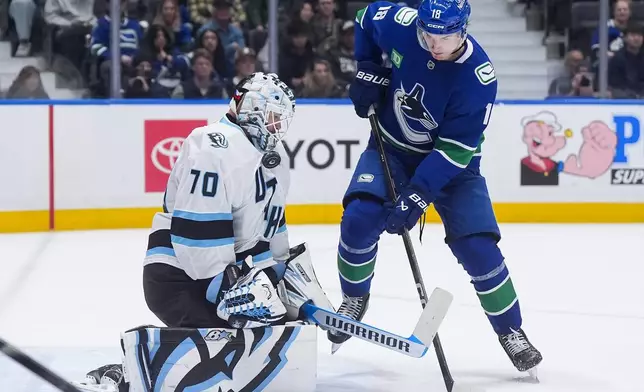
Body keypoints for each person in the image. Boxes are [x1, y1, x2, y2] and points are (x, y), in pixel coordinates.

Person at [77, 72, 335, 391]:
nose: (276, 128)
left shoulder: (276, 158)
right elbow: (197, 239)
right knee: (227, 354)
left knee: (272, 343)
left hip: (234, 277)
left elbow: (273, 231)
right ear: (249, 107)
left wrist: (296, 290)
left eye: (282, 121)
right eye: (271, 118)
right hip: (179, 277)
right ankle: (129, 372)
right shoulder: (212, 144)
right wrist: (229, 289)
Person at [327, 0, 543, 374]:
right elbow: (365, 18)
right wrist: (368, 67)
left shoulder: (478, 77)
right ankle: (353, 298)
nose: (433, 44)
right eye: (428, 34)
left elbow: (455, 151)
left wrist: (417, 194)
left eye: (444, 37)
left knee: (478, 249)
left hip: (453, 169)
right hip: (392, 149)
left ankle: (511, 330)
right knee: (359, 219)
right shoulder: (403, 23)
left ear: (463, 29)